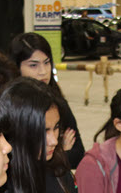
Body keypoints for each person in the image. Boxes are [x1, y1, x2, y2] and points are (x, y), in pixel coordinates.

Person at [9, 32, 85, 169]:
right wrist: (60, 152)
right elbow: (13, 163)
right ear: (16, 67)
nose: (43, 72)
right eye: (33, 65)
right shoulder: (7, 108)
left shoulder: (57, 103)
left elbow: (78, 155)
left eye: (47, 63)